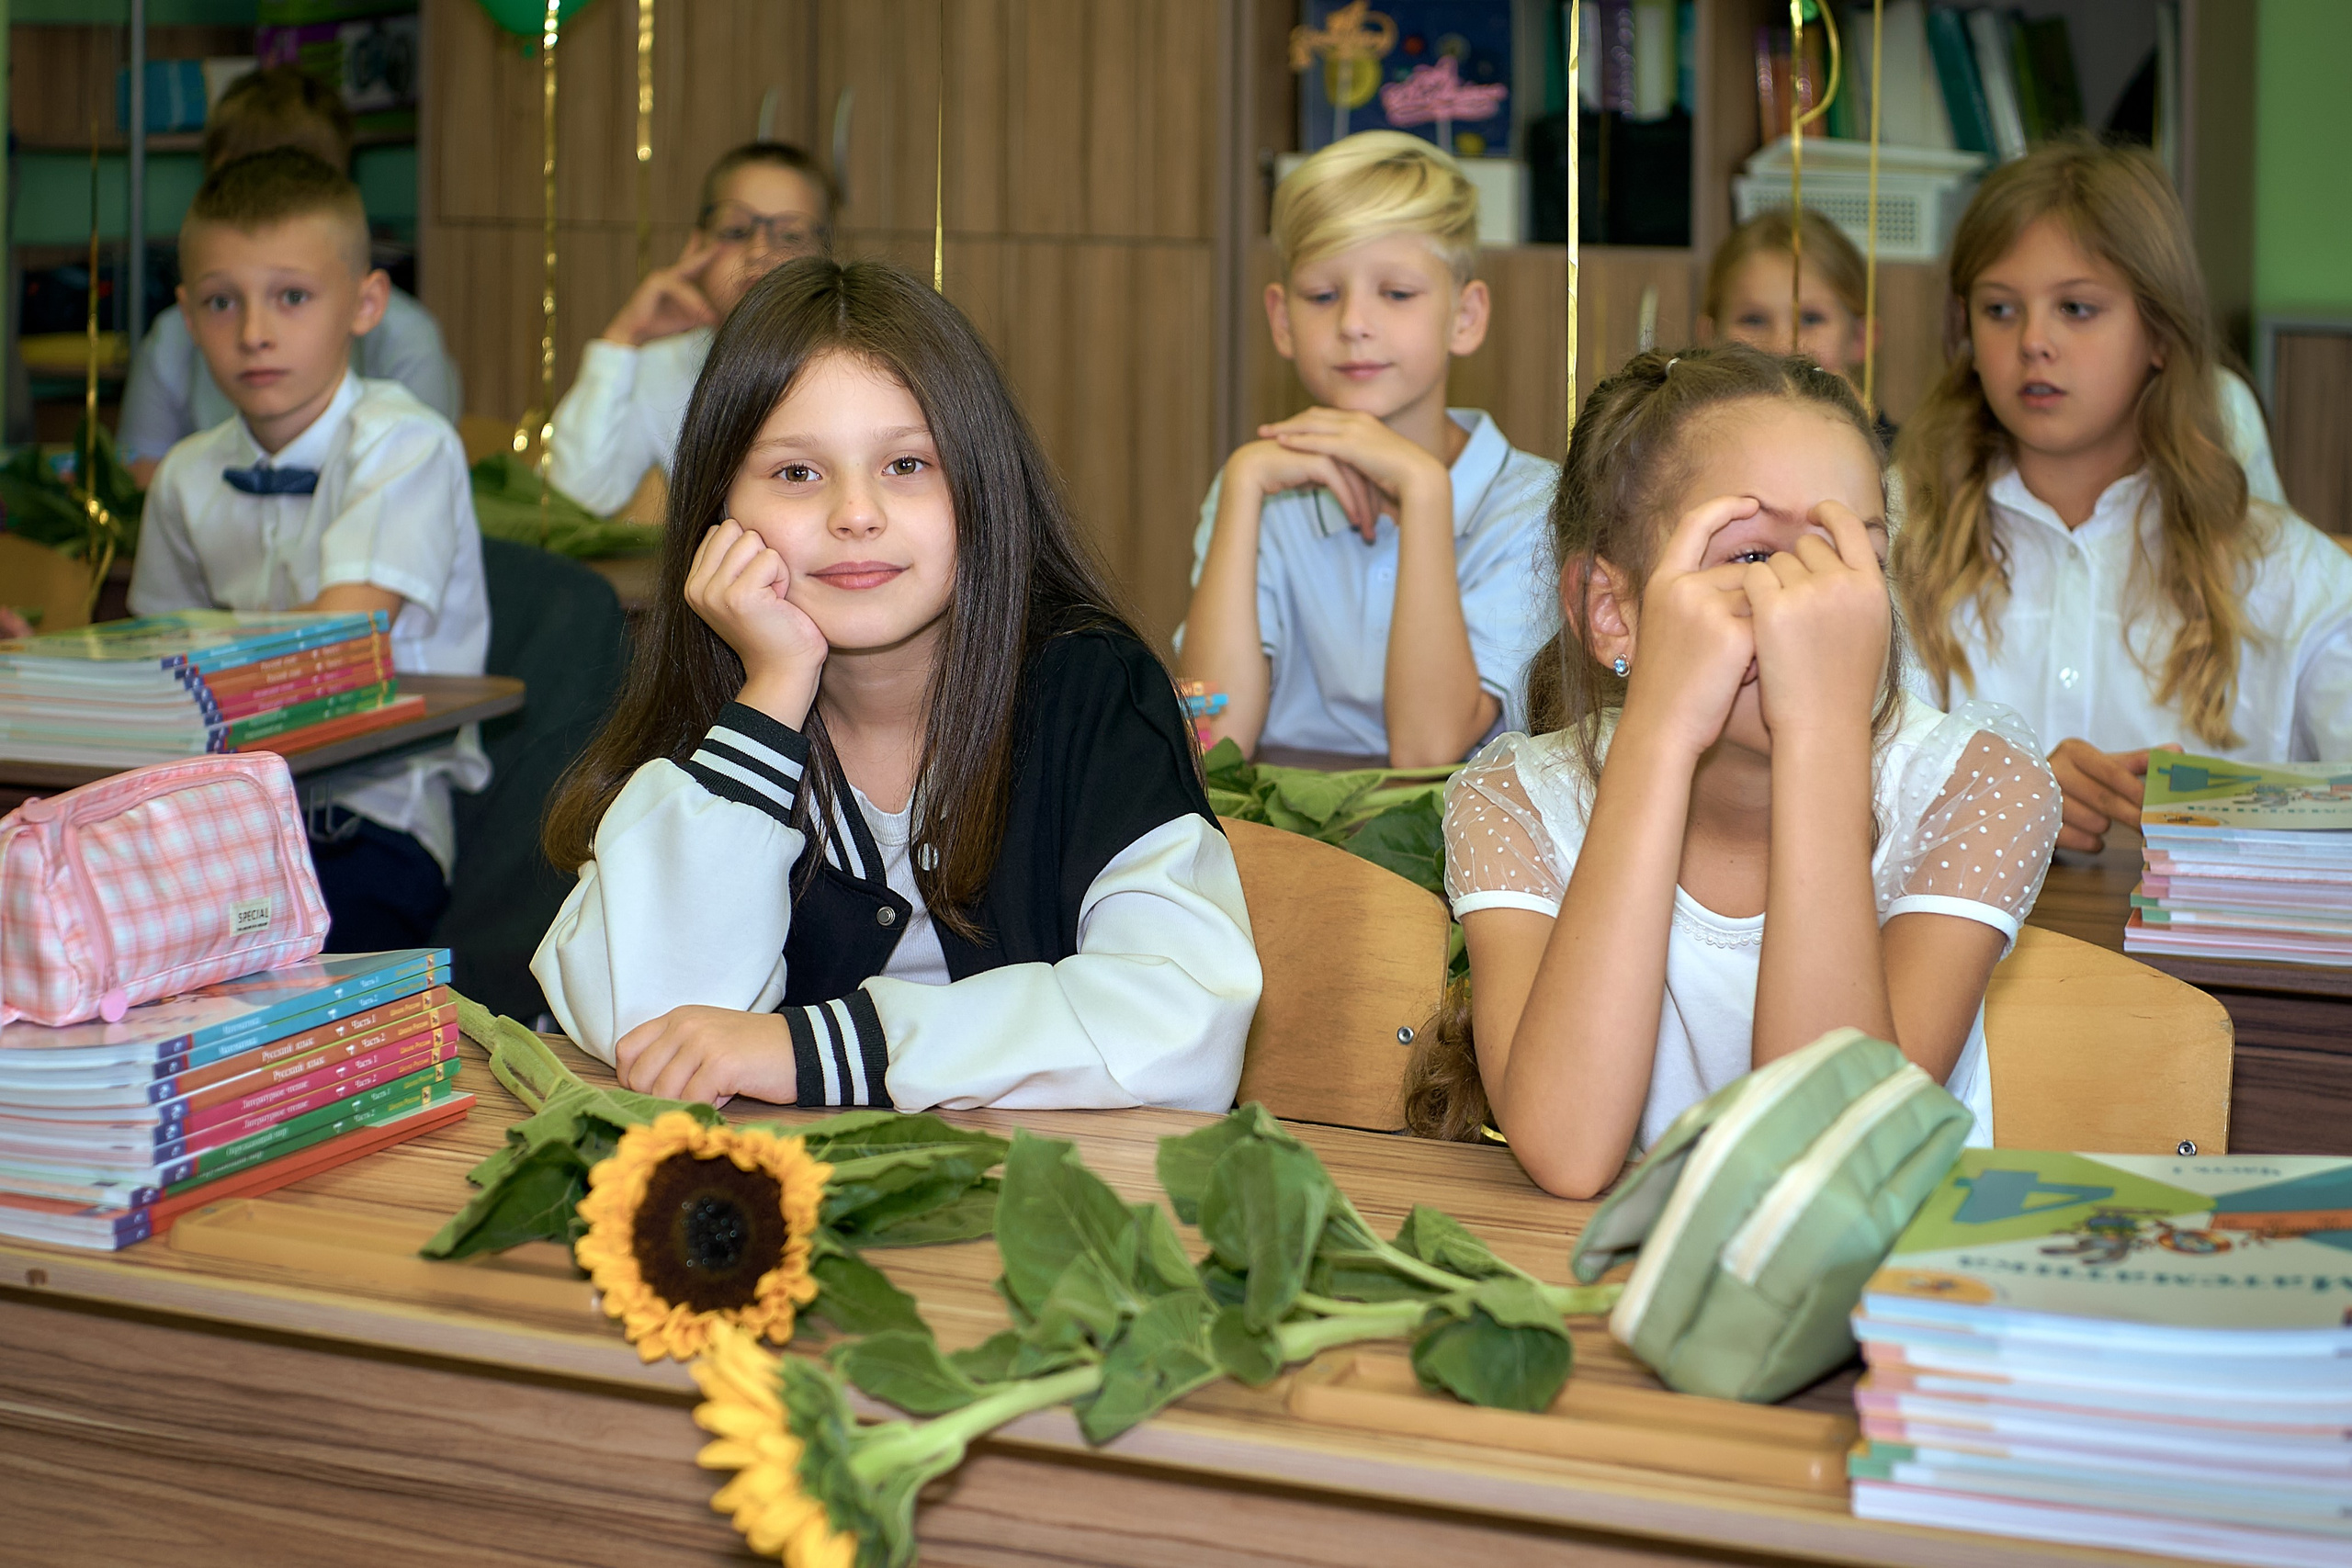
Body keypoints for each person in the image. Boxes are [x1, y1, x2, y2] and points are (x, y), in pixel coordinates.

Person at [532, 258, 1261, 1112]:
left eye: (907, 464)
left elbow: (1184, 1020)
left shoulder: (1091, 688)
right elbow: (651, 1028)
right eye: (797, 473)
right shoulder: (715, 704)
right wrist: (770, 694)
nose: (855, 513)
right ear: (719, 511)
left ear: (982, 485)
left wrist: (815, 1052)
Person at [1402, 344, 2062, 1200]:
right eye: (1752, 557)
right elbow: (1568, 1151)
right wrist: (1662, 733)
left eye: (1851, 555)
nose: (1813, 600)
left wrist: (1821, 731)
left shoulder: (1975, 786)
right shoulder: (1515, 803)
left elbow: (1822, 1165)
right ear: (1613, 613)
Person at [1894, 137, 2351, 857]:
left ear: (2161, 333)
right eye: (2000, 309)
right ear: (1965, 331)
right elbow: (1832, 786)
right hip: (1959, 959)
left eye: (2076, 307)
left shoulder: (2288, 572)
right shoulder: (1895, 536)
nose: (2035, 341)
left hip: (2204, 968)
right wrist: (2003, 800)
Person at [130, 150, 491, 949]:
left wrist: (197, 658)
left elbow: (338, 643)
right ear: (187, 319)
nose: (254, 333)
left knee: (257, 971)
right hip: (220, 819)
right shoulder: (186, 474)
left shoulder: (406, 446)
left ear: (365, 305)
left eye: (292, 297)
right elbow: (154, 662)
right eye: (223, 303)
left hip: (362, 822)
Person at [1179, 131, 1555, 768]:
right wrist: (1242, 486)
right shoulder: (1259, 490)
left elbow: (1428, 750)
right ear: (1280, 320)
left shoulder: (1536, 505)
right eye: (1322, 296)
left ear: (1465, 316)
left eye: (1397, 293)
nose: (1353, 322)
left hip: (1444, 856)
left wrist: (1426, 494)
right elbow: (1210, 740)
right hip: (1281, 846)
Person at [119, 67, 460, 485]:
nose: (253, 335)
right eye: (238, 186)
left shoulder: (406, 341)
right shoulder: (172, 339)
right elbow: (138, 481)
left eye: (294, 297)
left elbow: (418, 483)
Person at [545, 142, 836, 517]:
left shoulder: (857, 366)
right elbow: (575, 498)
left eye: (791, 236)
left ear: (826, 257)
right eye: (735, 231)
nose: (760, 251)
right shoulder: (660, 367)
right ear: (696, 246)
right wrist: (622, 338)